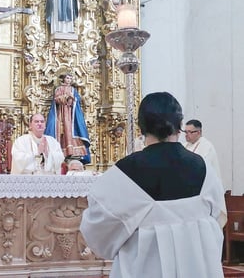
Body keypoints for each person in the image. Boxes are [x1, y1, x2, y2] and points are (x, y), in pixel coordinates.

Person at [80, 92, 226, 278]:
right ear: (179, 125)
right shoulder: (202, 166)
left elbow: (97, 230)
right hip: (197, 268)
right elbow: (216, 219)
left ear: (142, 126)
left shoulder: (127, 171)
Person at [45, 73, 91, 163]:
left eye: (70, 78)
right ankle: (60, 150)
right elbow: (56, 99)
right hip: (60, 114)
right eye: (67, 78)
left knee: (70, 130)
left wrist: (72, 99)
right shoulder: (59, 89)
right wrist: (64, 98)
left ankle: (71, 151)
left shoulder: (73, 89)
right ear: (63, 79)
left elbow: (77, 100)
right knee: (61, 131)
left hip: (71, 115)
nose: (69, 80)